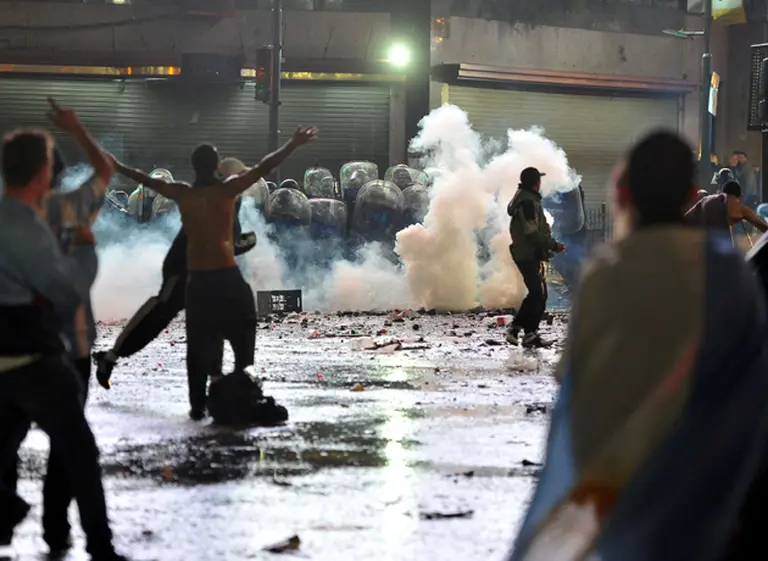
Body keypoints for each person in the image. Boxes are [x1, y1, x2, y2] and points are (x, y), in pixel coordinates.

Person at [508, 131, 768, 561]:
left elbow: (578, 390)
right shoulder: (728, 275)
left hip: (621, 491)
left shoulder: (607, 274)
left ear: (624, 194)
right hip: (704, 490)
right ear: (690, 193)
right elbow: (749, 393)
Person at [108, 126, 317, 420]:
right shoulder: (227, 190)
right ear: (217, 166)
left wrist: (117, 166)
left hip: (199, 282)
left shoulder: (182, 194)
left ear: (194, 167)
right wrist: (293, 143)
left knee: (199, 344)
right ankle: (243, 388)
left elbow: (144, 179)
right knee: (243, 331)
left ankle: (199, 405)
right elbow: (265, 166)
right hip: (226, 277)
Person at [0, 118, 128, 559]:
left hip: (16, 354)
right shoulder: (62, 211)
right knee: (74, 448)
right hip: (47, 351)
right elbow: (64, 288)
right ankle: (73, 535)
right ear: (45, 173)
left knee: (7, 445)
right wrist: (87, 249)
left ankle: (5, 518)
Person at [93, 179, 257, 392]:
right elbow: (225, 242)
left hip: (201, 272)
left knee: (209, 319)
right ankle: (111, 356)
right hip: (183, 268)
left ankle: (215, 377)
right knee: (161, 311)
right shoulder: (219, 202)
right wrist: (245, 242)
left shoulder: (220, 201)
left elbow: (226, 242)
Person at [505, 167, 565, 348]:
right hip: (528, 254)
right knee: (538, 293)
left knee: (539, 293)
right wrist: (552, 245)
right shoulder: (528, 202)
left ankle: (529, 333)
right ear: (536, 183)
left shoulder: (525, 199)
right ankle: (516, 328)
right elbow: (531, 232)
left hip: (529, 253)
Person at [686, 180, 768, 237]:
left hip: (692, 240)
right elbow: (765, 229)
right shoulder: (740, 209)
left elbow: (686, 217)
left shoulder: (705, 200)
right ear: (740, 197)